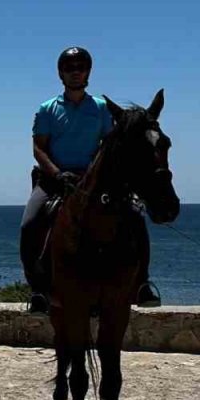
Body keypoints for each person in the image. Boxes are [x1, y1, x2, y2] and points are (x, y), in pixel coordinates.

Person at [20, 46, 160, 314]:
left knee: (135, 216)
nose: (76, 73)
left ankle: (142, 283)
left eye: (81, 68)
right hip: (54, 179)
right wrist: (58, 173)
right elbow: (38, 148)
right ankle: (38, 289)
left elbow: (109, 146)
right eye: (70, 68)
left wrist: (94, 173)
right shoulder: (47, 109)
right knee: (29, 223)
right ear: (61, 74)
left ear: (88, 72)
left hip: (92, 179)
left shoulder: (100, 108)